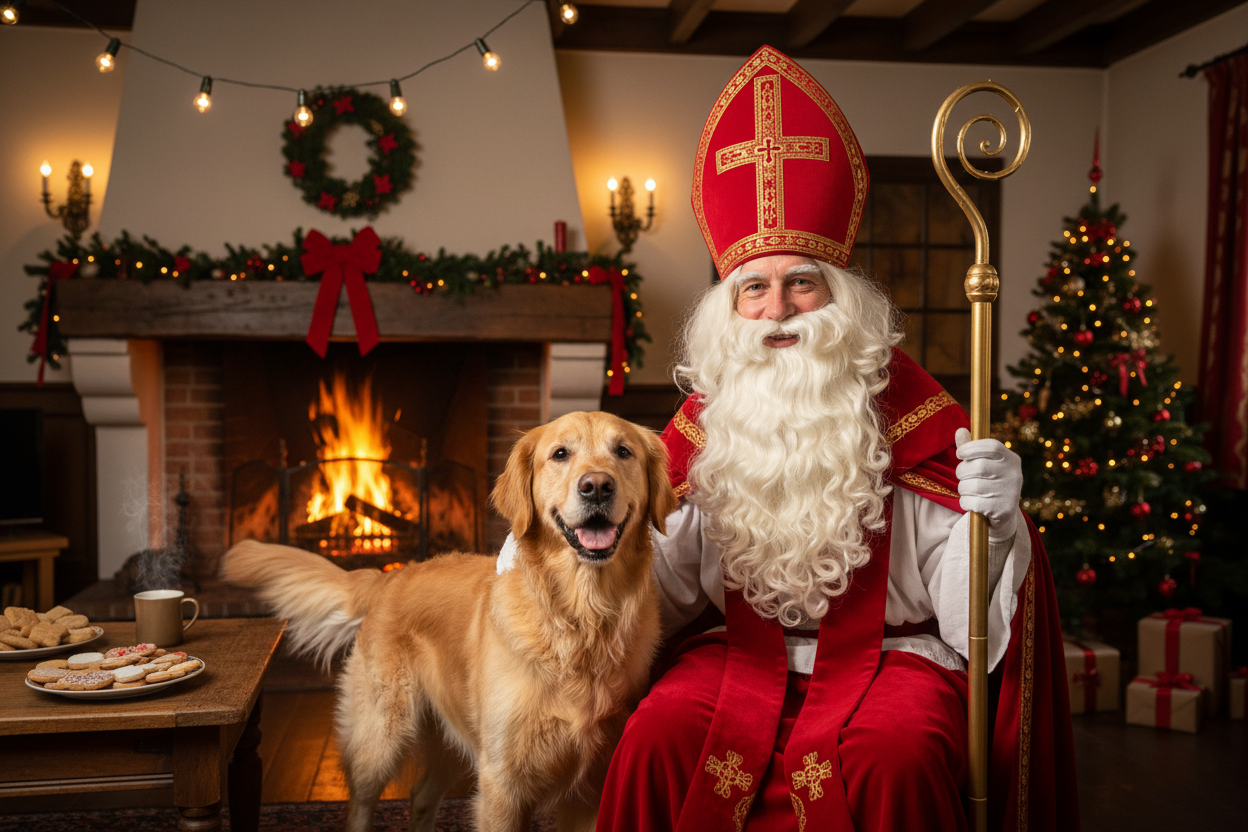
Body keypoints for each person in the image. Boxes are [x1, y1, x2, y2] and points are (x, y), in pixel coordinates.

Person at [590, 46, 1080, 832]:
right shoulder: (703, 435)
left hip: (896, 660)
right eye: (754, 287)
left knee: (900, 755)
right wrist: (572, 555)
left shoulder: (921, 425)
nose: (779, 308)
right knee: (656, 736)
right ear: (731, 310)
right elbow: (667, 593)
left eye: (801, 282)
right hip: (734, 656)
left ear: (839, 300)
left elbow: (969, 626)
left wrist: (1000, 527)